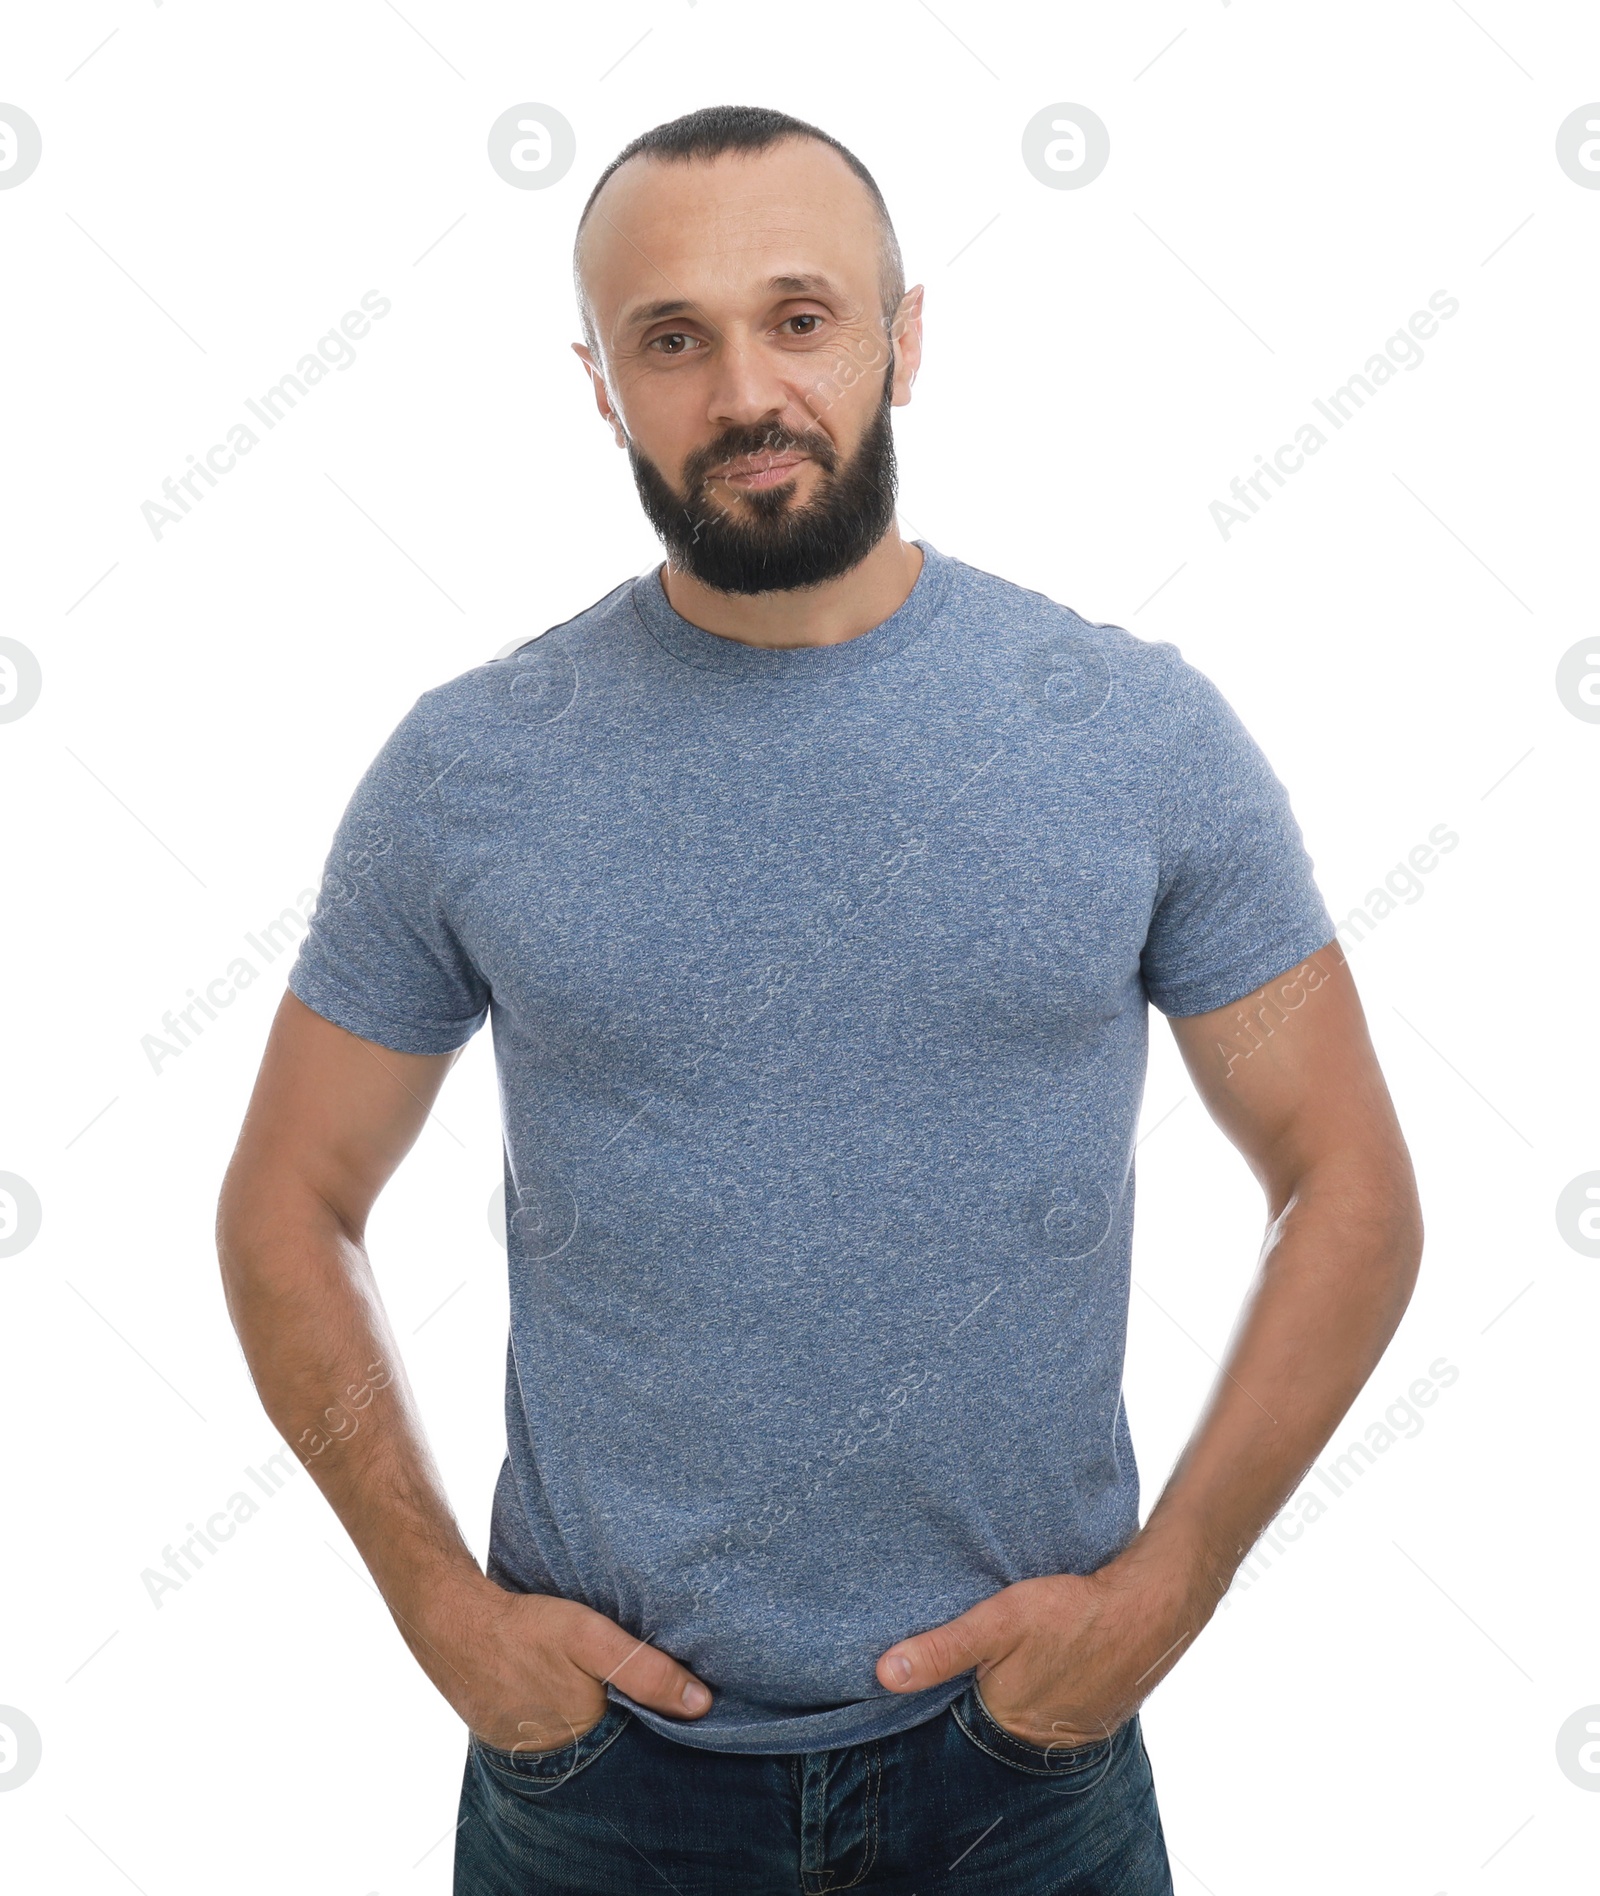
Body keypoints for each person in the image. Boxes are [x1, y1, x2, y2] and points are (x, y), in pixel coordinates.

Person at [217, 104, 1423, 1895]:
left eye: (800, 317)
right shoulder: (472, 767)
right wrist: (443, 1614)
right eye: (671, 339)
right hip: (599, 1787)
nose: (743, 392)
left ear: (903, 338)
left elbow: (1352, 1187)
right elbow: (285, 1205)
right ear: (600, 386)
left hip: (1031, 1771)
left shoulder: (1133, 736)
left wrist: (1163, 1593)